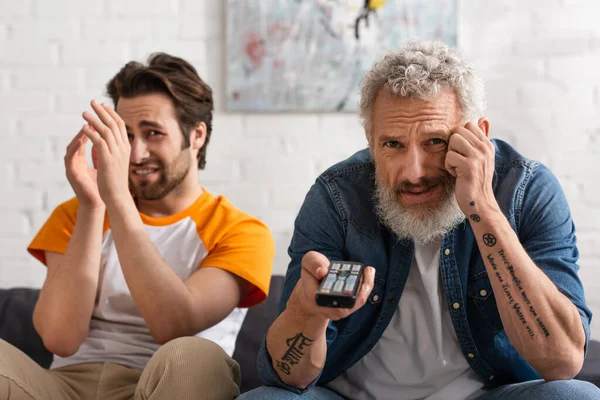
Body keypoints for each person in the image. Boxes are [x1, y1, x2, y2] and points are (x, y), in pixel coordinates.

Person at [240, 40, 600, 399]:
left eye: (435, 142)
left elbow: (562, 363)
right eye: (392, 145)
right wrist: (307, 312)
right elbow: (291, 378)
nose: (413, 173)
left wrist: (484, 208)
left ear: (479, 136)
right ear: (371, 140)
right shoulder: (335, 198)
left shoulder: (527, 190)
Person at [0, 53, 275, 400]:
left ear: (197, 135)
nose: (135, 154)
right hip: (64, 387)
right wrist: (93, 205)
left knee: (197, 355)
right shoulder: (77, 212)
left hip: (161, 387)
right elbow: (60, 338)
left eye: (153, 133)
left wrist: (117, 200)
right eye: (126, 136)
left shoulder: (241, 232)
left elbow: (174, 325)